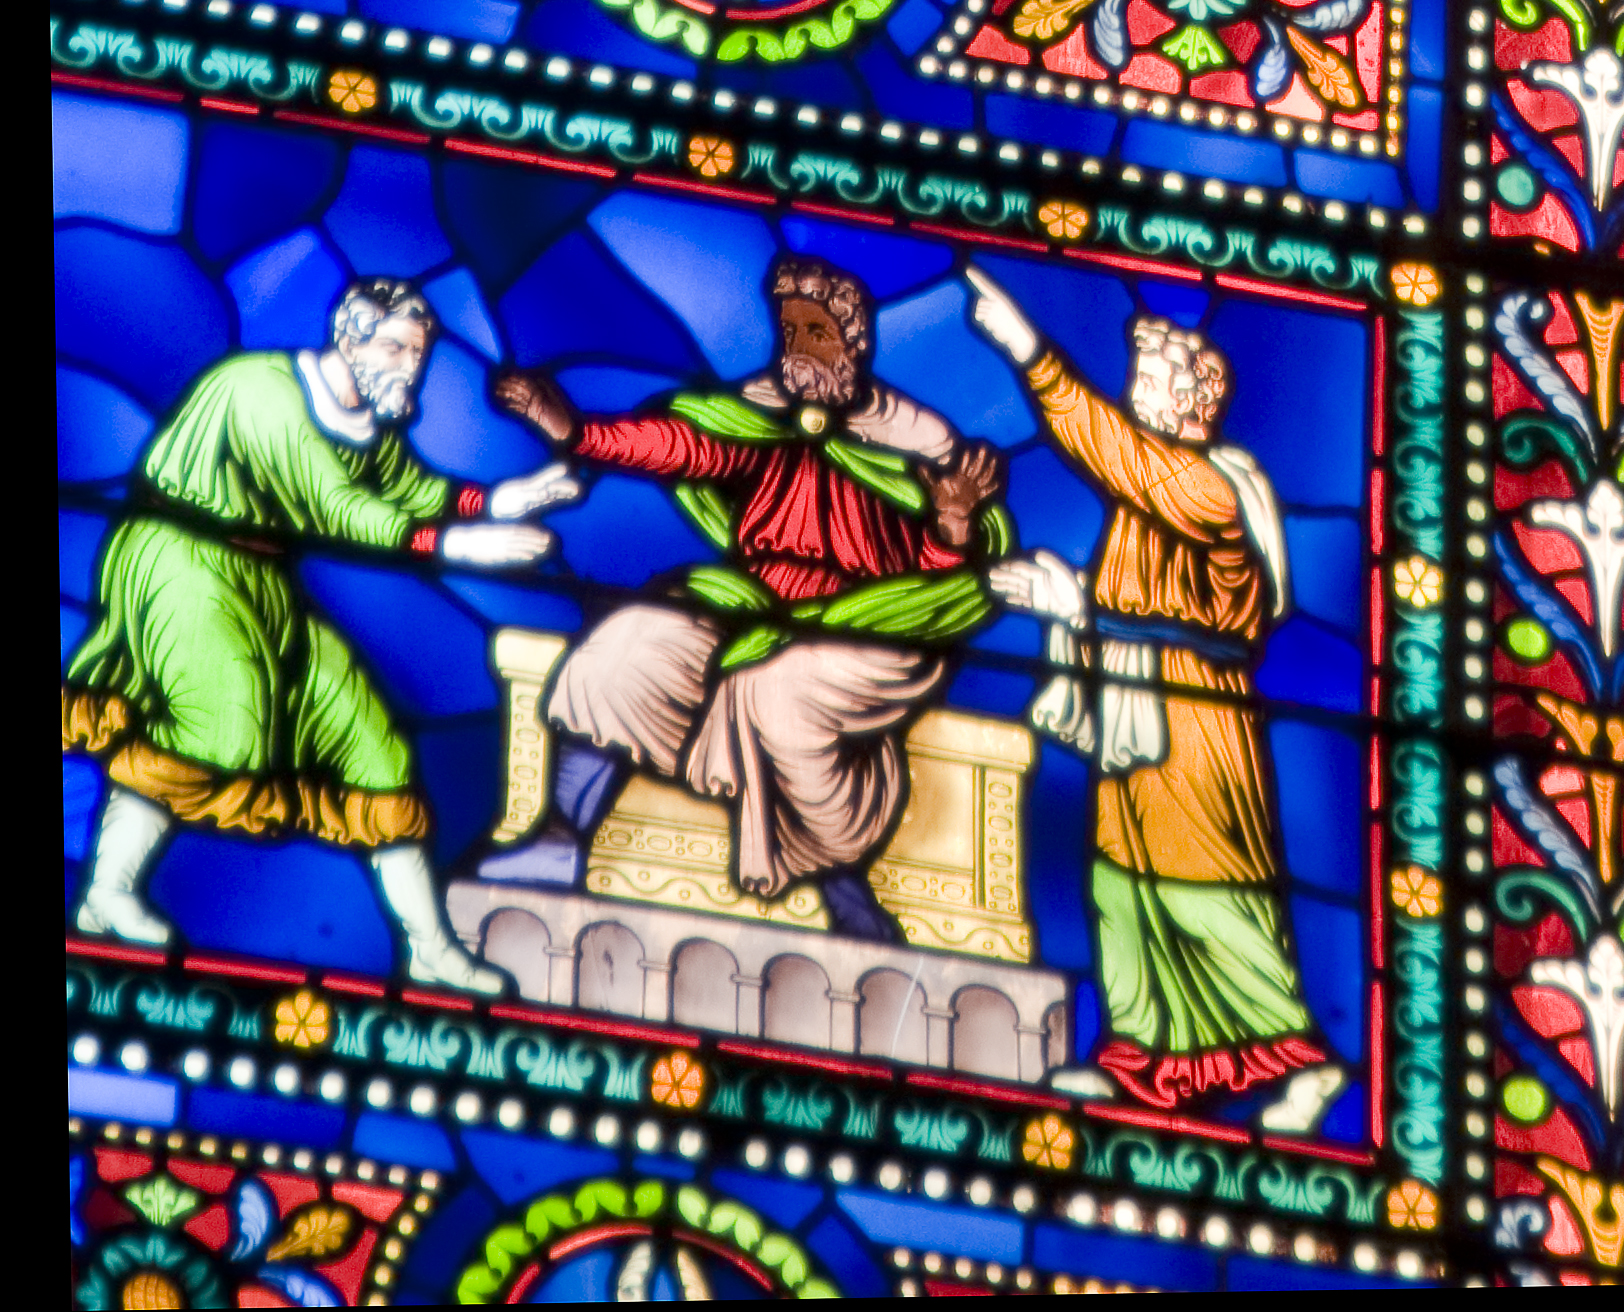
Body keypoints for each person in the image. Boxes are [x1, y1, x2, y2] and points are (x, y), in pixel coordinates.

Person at [63, 280, 576, 997]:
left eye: (419, 352)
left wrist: (495, 500)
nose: (409, 365)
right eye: (395, 346)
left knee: (370, 743)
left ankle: (430, 949)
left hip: (266, 581)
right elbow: (339, 508)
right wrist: (461, 546)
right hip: (182, 559)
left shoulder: (364, 421)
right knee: (215, 724)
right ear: (349, 336)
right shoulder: (264, 390)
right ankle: (105, 893)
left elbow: (407, 485)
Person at [482, 255, 1007, 933]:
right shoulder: (762, 416)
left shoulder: (916, 442)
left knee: (774, 695)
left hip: (875, 627)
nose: (798, 349)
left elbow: (938, 579)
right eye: (790, 331)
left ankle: (848, 899)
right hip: (752, 604)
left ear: (855, 343)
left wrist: (955, 520)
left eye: (815, 332)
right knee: (628, 645)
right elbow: (682, 446)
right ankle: (558, 842)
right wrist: (577, 432)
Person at [967, 260, 1344, 1136]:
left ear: (1193, 402)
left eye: (1149, 379)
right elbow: (1122, 597)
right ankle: (1143, 1060)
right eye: (1135, 377)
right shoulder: (1152, 494)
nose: (1136, 392)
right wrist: (1072, 606)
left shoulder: (1208, 487)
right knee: (1119, 885)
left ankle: (1302, 1058)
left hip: (1193, 712)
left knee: (1206, 884)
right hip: (1131, 700)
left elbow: (1114, 456)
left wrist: (1031, 353)